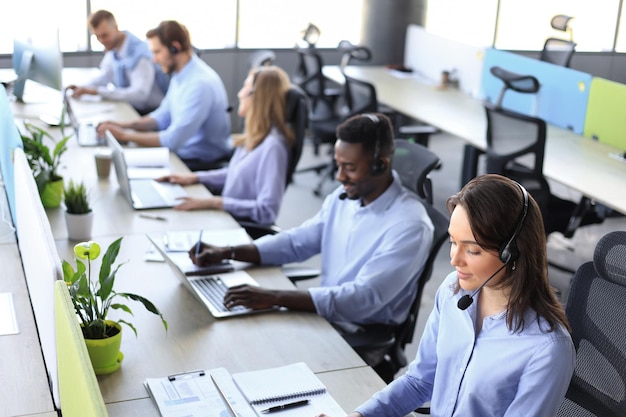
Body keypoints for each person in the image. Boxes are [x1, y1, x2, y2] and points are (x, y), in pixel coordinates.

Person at [319, 174, 575, 417]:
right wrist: (361, 414)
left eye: (472, 250)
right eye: (454, 242)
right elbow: (419, 382)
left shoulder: (547, 349)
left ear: (512, 253)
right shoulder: (453, 291)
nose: (454, 260)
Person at [190, 113, 434, 331]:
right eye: (337, 165)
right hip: (323, 314)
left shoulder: (409, 226)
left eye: (349, 168)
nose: (339, 177)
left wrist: (275, 297)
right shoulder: (345, 198)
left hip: (359, 331)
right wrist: (230, 252)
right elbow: (298, 242)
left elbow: (362, 300)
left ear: (381, 164)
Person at [157, 65, 294, 225]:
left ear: (258, 97)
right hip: (225, 217)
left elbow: (267, 210)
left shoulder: (273, 147)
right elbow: (236, 173)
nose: (240, 93)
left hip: (236, 226)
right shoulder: (256, 136)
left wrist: (215, 202)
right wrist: (195, 177)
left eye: (245, 88)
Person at [96, 20, 232, 171]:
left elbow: (173, 139)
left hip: (200, 162)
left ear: (175, 48)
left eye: (157, 52)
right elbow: (162, 116)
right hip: (182, 154)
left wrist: (124, 136)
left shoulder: (199, 84)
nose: (154, 59)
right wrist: (123, 125)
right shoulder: (181, 74)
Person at [66, 10, 165, 115]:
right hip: (130, 107)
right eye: (97, 36)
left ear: (116, 28)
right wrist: (82, 88)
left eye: (104, 35)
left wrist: (97, 91)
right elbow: (105, 76)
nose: (101, 40)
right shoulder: (113, 50)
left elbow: (139, 94)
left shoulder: (141, 55)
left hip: (150, 112)